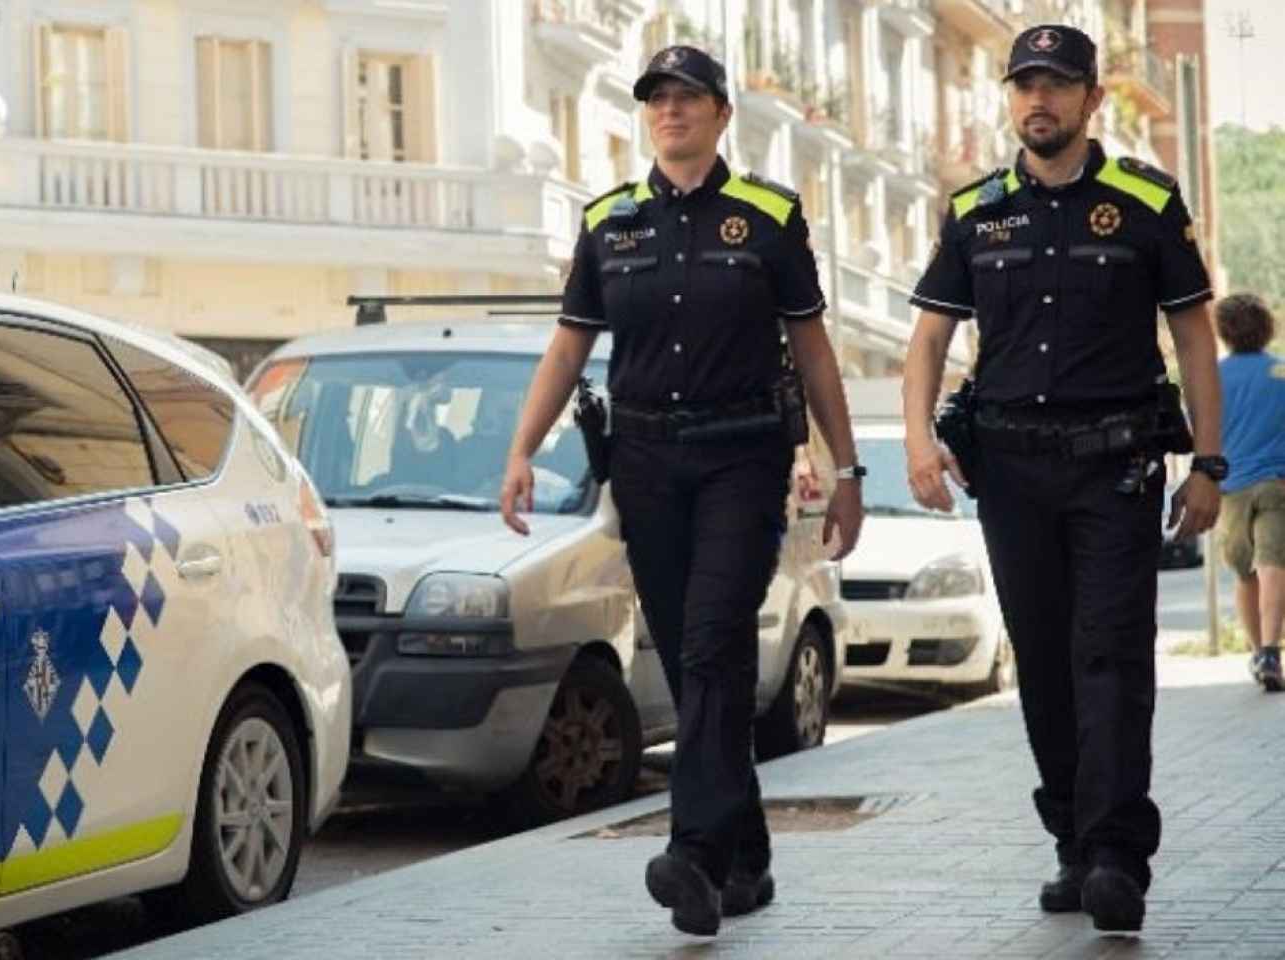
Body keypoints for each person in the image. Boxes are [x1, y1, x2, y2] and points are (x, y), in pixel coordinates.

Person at [499, 44, 863, 938]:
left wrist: (846, 468)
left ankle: (693, 854)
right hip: (648, 467)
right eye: (657, 99)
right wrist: (520, 449)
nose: (670, 111)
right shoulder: (609, 222)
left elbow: (812, 350)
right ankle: (748, 855)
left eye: (687, 98)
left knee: (708, 648)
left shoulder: (768, 216)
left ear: (721, 114)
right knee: (710, 662)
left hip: (743, 459)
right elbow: (567, 347)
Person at [902, 23, 1223, 935]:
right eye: (1023, 85)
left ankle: (1118, 851)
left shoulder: (1145, 200)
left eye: (1055, 85)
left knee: (1109, 656)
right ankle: (1074, 845)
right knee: (1042, 660)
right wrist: (921, 444)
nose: (1037, 101)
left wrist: (1206, 460)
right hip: (1010, 471)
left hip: (1114, 465)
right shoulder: (974, 210)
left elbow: (1194, 334)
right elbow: (929, 337)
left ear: (1092, 99)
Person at [1212, 293, 1285, 691]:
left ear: (1223, 331)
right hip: (1277, 484)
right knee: (1274, 563)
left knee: (1245, 573)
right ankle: (1271, 651)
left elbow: (1197, 430)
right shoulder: (1281, 372)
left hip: (1231, 488)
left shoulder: (1212, 376)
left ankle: (1259, 651)